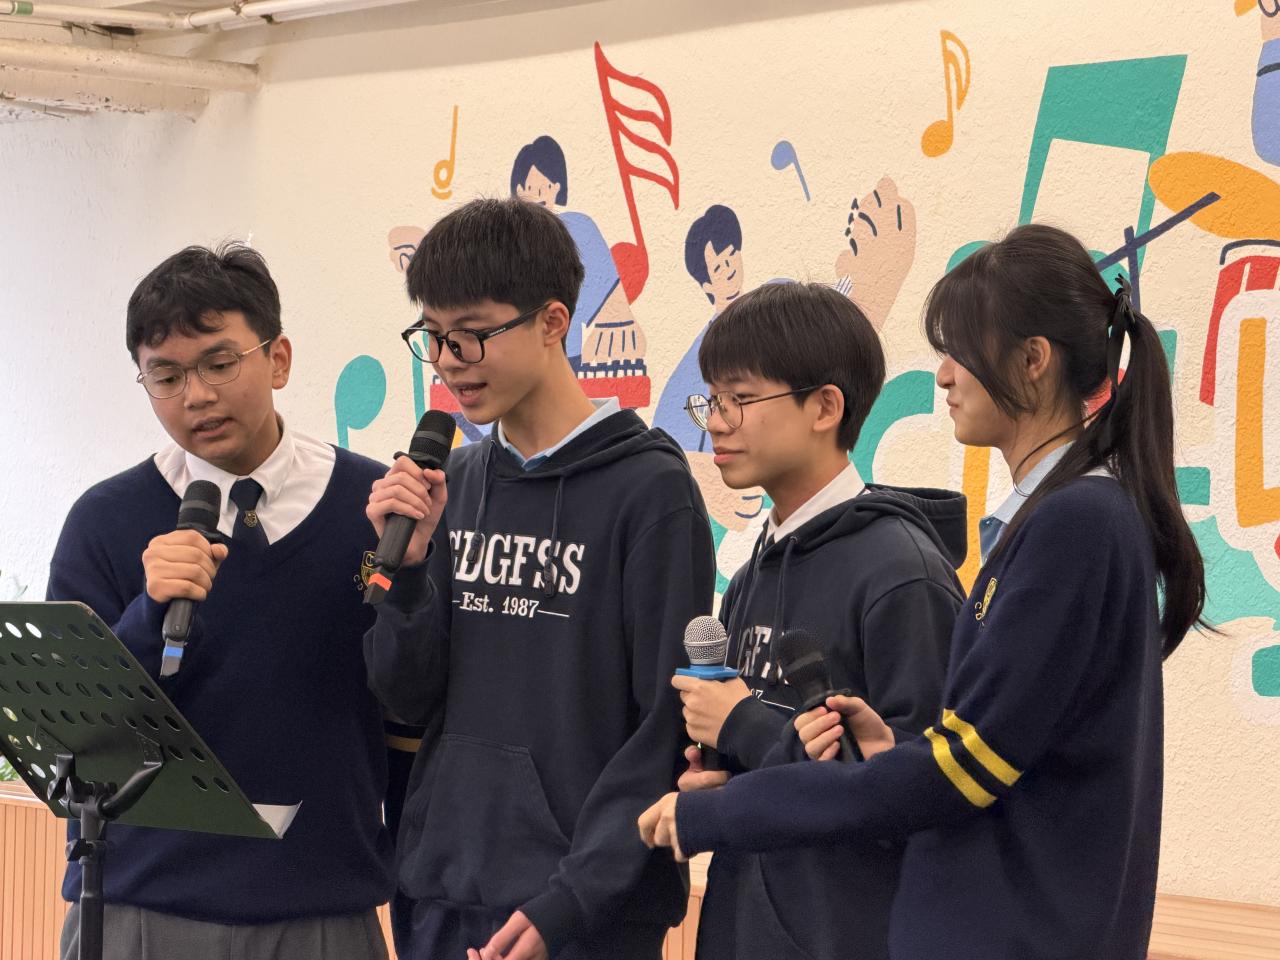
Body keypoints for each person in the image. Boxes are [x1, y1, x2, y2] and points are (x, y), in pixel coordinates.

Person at [640, 224, 1210, 960]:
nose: (942, 376)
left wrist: (722, 811)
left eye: (958, 351)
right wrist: (890, 752)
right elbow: (975, 754)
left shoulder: (1077, 522)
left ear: (1033, 361)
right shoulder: (1063, 517)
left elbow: (962, 772)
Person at [366, 197, 715, 960]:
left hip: (580, 913)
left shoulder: (650, 491)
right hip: (443, 890)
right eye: (434, 336)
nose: (449, 359)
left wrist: (573, 900)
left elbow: (664, 724)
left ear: (553, 321)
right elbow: (405, 698)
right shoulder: (454, 483)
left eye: (472, 334)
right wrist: (411, 575)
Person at [48, 243, 395, 960]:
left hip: (321, 906)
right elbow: (68, 737)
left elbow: (414, 693)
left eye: (218, 363)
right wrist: (149, 616)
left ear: (279, 359)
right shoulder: (106, 520)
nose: (196, 396)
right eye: (166, 375)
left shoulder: (374, 507)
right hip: (139, 905)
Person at [671, 281, 964, 960]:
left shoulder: (902, 574)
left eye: (740, 399)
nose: (716, 423)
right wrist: (721, 777)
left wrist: (743, 726)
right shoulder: (756, 565)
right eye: (711, 400)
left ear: (825, 407)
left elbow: (924, 797)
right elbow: (781, 768)